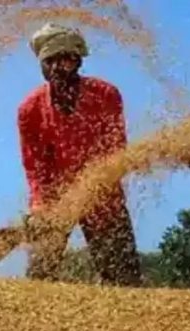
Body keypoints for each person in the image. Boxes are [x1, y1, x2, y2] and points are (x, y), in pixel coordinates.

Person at [17, 23, 142, 286]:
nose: (54, 67)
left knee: (124, 281)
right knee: (39, 279)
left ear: (76, 60)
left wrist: (89, 191)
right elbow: (35, 165)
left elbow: (115, 151)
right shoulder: (30, 110)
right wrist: (40, 206)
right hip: (54, 203)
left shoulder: (105, 95)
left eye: (61, 59)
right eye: (48, 61)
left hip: (103, 197)